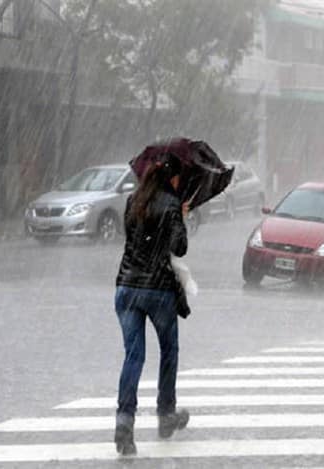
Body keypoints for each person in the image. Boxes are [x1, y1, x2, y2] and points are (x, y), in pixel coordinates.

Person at [114, 152, 190, 455]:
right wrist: (181, 219)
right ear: (172, 178)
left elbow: (132, 238)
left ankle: (124, 423)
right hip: (158, 290)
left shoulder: (134, 201)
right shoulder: (171, 205)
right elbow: (179, 248)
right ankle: (165, 415)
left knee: (133, 357)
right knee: (169, 351)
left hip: (127, 287)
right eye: (178, 178)